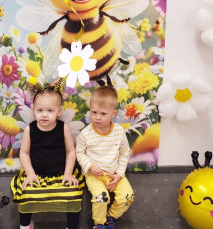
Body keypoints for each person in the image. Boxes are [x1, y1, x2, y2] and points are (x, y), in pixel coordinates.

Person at [11, 86, 84, 229]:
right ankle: (25, 225)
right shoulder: (30, 129)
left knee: (74, 193)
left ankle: (72, 226)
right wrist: (30, 173)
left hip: (61, 173)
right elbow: (24, 153)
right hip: (36, 174)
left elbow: (70, 151)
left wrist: (68, 173)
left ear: (58, 112)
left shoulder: (63, 128)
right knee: (25, 193)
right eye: (40, 110)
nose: (44, 115)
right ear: (34, 110)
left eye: (50, 111)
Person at [76, 86, 134, 229]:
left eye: (103, 113)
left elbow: (124, 153)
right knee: (101, 198)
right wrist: (89, 166)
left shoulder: (119, 132)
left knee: (128, 197)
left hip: (114, 174)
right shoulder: (85, 134)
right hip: (94, 176)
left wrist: (119, 175)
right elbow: (80, 153)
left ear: (113, 114)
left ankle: (111, 217)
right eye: (94, 112)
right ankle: (99, 224)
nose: (97, 117)